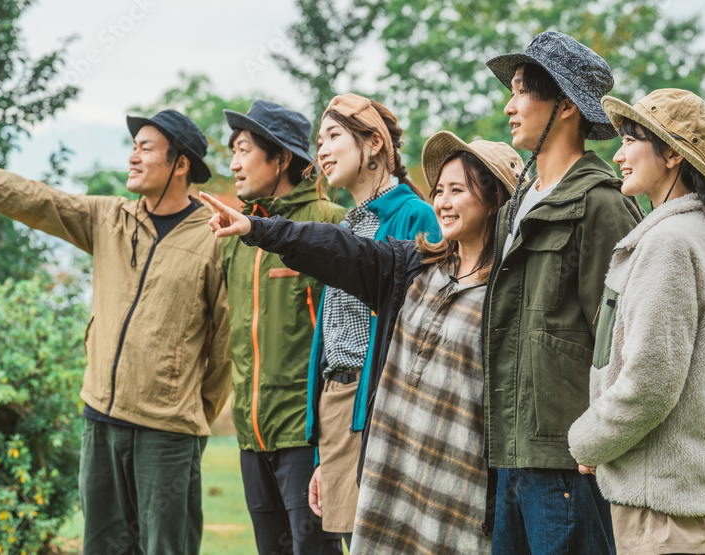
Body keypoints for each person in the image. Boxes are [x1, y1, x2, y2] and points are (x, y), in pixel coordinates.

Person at [0, 109, 231, 555]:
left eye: (145, 148)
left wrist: (190, 410)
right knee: (101, 545)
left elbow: (226, 344)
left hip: (168, 434)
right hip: (100, 421)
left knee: (167, 547)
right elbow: (33, 198)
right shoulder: (109, 219)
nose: (133, 157)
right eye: (133, 146)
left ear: (180, 164)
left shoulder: (214, 239)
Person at [198, 131, 522, 554]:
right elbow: (338, 248)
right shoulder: (412, 266)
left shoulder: (512, 290)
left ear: (494, 199)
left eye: (457, 190)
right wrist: (259, 229)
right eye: (439, 189)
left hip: (464, 486)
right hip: (396, 474)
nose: (441, 201)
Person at [568, 89, 705, 555]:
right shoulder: (697, 233)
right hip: (667, 501)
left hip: (659, 511)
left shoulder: (671, 243)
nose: (618, 154)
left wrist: (588, 441)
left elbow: (652, 379)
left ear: (673, 154)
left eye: (632, 139)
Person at [482, 31, 645, 554]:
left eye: (522, 91)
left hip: (568, 458)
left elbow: (619, 338)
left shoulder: (603, 204)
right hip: (509, 451)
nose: (509, 106)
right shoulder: (514, 206)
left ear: (567, 105)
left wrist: (597, 438)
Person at [304, 93, 440, 547]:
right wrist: (324, 454)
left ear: (375, 144)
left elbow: (428, 329)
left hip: (384, 407)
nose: (321, 150)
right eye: (319, 140)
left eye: (334, 136)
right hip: (338, 402)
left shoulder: (417, 215)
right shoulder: (346, 226)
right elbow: (332, 337)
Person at [221, 100, 345, 555]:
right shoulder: (232, 235)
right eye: (232, 151)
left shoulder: (329, 222)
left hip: (305, 433)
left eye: (244, 149)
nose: (234, 163)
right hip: (250, 433)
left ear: (282, 159)